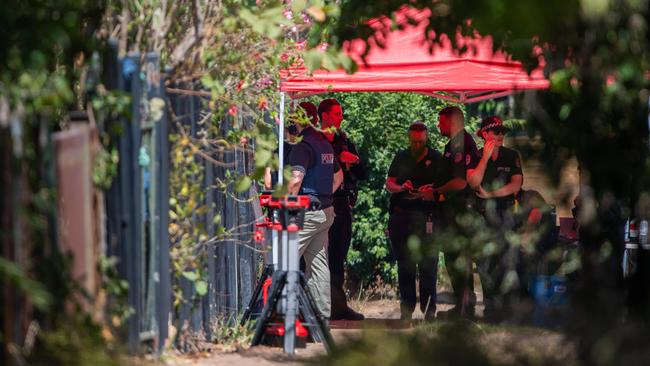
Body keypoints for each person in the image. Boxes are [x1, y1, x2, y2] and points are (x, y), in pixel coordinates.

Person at [287, 102, 344, 319]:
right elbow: (339, 176)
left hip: (307, 214)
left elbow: (295, 180)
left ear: (299, 120)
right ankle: (321, 320)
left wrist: (286, 205)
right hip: (325, 211)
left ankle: (283, 318)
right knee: (319, 266)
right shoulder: (324, 142)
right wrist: (323, 196)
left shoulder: (303, 146)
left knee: (285, 261)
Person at [467, 116, 524, 317]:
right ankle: (490, 306)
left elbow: (516, 184)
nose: (500, 136)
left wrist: (491, 194)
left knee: (506, 260)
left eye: (502, 132)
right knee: (484, 264)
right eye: (496, 132)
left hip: (505, 214)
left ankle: (507, 308)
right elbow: (474, 182)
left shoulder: (511, 155)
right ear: (484, 134)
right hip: (482, 217)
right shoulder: (474, 155)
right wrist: (484, 158)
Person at [386, 121, 443, 321]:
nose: (416, 145)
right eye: (413, 142)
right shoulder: (401, 157)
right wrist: (402, 187)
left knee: (428, 265)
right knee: (405, 266)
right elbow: (389, 183)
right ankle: (406, 311)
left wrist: (432, 190)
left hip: (427, 217)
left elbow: (445, 187)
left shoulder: (437, 158)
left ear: (426, 137)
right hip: (402, 216)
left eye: (419, 141)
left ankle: (429, 311)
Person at [318, 98, 368, 321]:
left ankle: (338, 306)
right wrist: (338, 159)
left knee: (339, 258)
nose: (341, 117)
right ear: (325, 116)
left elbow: (364, 174)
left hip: (343, 207)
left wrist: (354, 161)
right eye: (337, 114)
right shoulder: (315, 141)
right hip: (321, 206)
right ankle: (321, 307)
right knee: (320, 259)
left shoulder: (345, 140)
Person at [433, 106, 479, 317]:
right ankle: (462, 305)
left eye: (441, 122)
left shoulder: (462, 143)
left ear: (452, 122)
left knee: (459, 257)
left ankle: (465, 308)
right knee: (452, 258)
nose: (438, 125)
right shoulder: (453, 144)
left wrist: (436, 191)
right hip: (450, 210)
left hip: (460, 211)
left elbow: (461, 182)